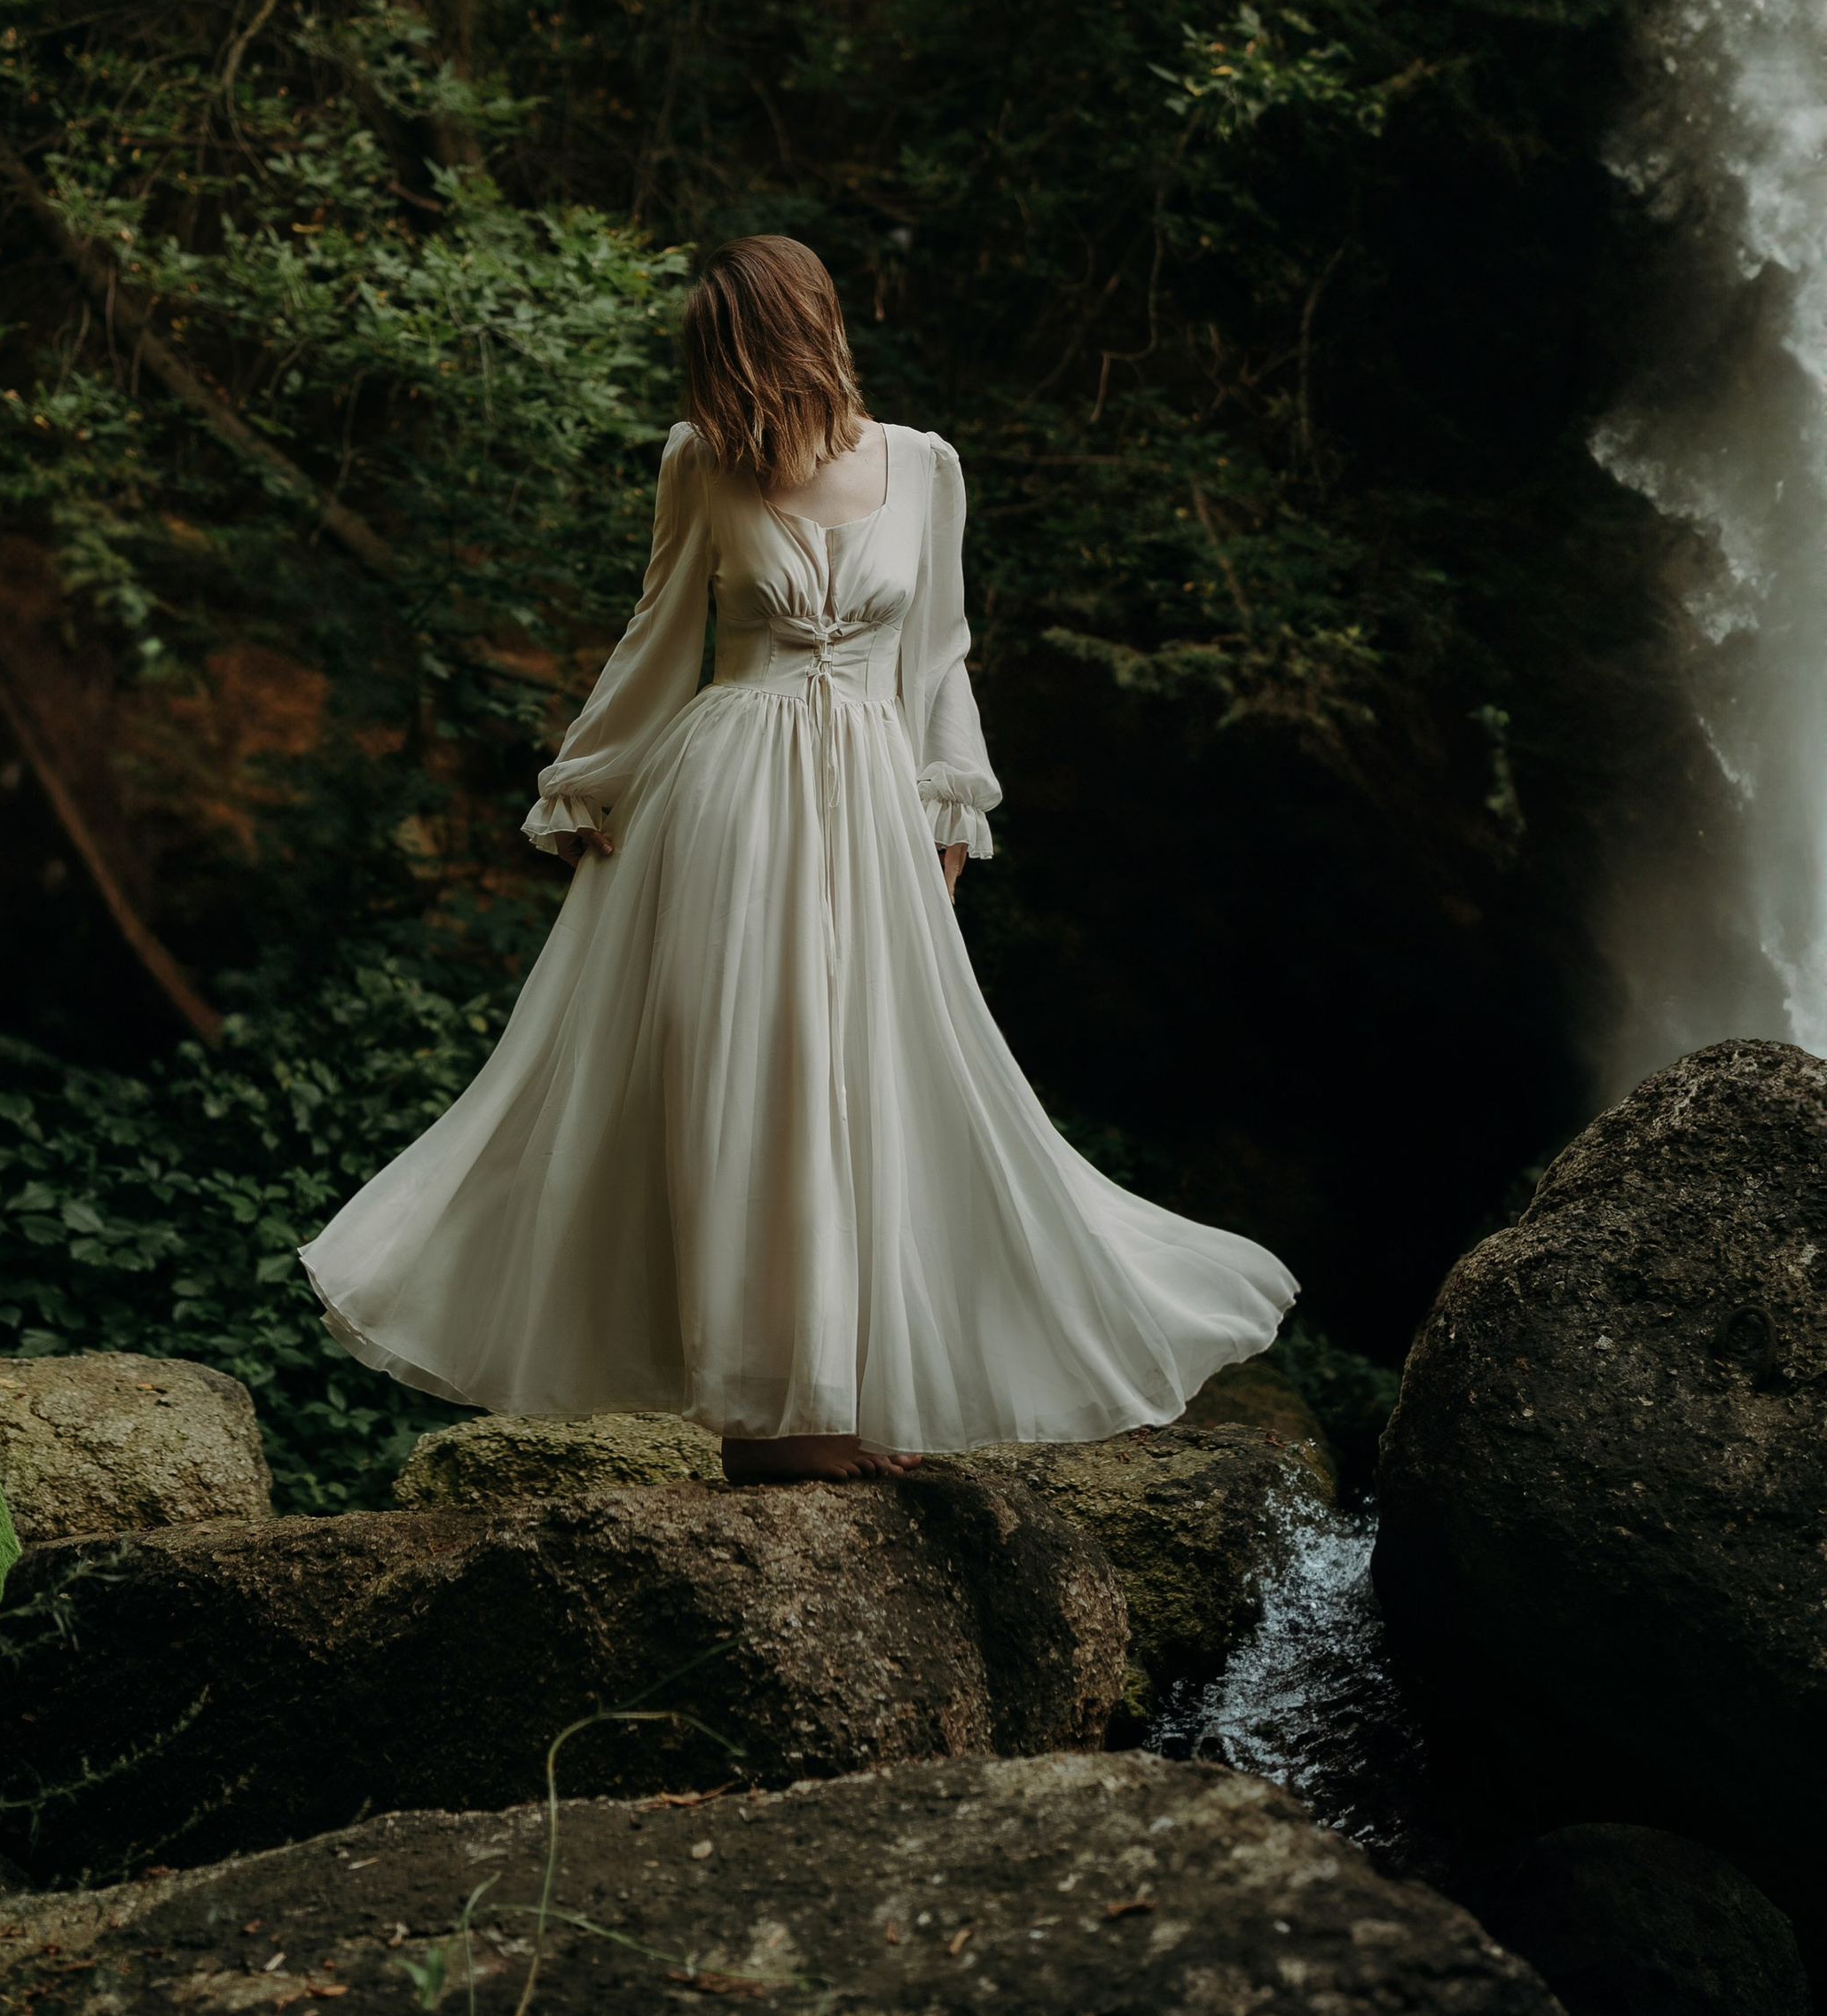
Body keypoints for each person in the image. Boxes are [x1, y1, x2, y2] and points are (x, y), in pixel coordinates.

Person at [302, 234, 1295, 1482]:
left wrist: (950, 816)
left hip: (872, 809)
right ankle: (774, 1421)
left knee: (869, 1079)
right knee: (747, 1081)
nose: (713, 379)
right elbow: (659, 638)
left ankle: (832, 1396)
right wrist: (588, 784)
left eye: (727, 348)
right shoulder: (699, 462)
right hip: (724, 807)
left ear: (792, 330)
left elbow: (936, 661)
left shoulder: (927, 468)